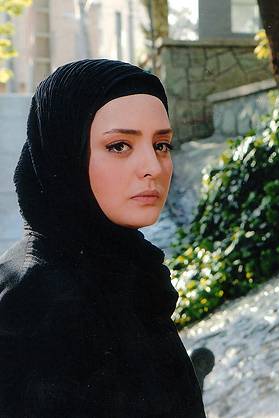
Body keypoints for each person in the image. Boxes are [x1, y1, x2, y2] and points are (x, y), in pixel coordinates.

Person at [0, 59, 206, 417]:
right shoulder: (36, 301)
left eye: (161, 145)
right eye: (119, 146)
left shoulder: (123, 271)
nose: (153, 168)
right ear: (66, 155)